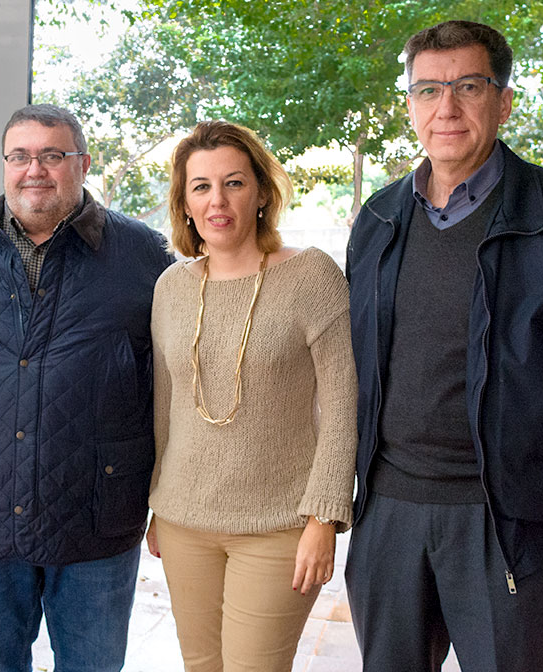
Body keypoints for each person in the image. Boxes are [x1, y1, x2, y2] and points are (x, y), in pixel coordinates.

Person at [345, 20, 543, 672]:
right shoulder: (376, 221)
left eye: (468, 86)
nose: (446, 107)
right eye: (428, 90)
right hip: (389, 513)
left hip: (506, 521)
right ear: (409, 105)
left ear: (504, 100)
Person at [0, 103, 173, 671]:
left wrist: (167, 498)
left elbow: (173, 387)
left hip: (99, 519)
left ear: (82, 164)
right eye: (20, 156)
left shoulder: (145, 256)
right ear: (5, 165)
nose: (34, 169)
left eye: (52, 155)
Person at [145, 120, 357, 672]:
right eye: (201, 187)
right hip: (184, 522)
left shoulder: (311, 276)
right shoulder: (170, 288)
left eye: (234, 183)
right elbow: (166, 407)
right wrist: (157, 505)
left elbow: (342, 406)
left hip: (278, 526)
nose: (218, 200)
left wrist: (324, 518)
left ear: (261, 192)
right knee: (202, 667)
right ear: (185, 203)